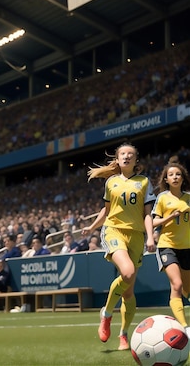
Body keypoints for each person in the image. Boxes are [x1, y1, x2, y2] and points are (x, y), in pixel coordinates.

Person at [83, 143, 156, 351]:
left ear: (136, 160)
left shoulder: (144, 182)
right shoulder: (110, 182)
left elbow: (147, 213)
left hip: (136, 236)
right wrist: (91, 227)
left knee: (129, 291)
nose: (126, 157)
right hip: (113, 231)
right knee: (127, 271)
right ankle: (106, 314)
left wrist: (150, 237)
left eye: (130, 154)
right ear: (118, 158)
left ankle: (123, 334)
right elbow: (106, 211)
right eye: (123, 154)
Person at [151, 159, 190, 336]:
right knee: (177, 283)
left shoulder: (189, 198)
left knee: (187, 289)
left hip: (187, 247)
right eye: (171, 174)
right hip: (167, 246)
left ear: (183, 178)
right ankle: (185, 327)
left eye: (178, 174)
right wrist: (170, 217)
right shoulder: (162, 198)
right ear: (166, 179)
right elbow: (153, 222)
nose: (175, 177)